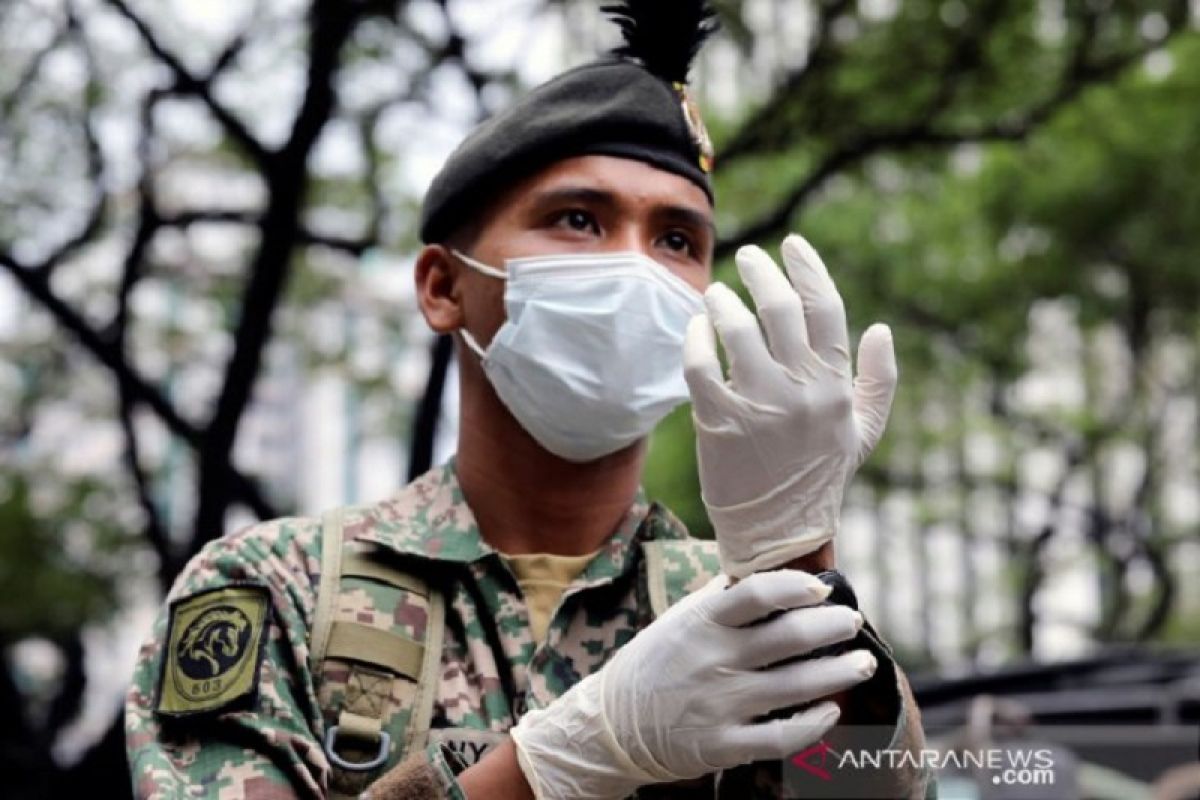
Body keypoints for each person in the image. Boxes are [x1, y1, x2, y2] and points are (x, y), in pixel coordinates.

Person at [126, 1, 932, 798]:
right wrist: (551, 768)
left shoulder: (724, 604)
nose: (634, 270)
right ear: (445, 287)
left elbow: (855, 790)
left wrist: (796, 560)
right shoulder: (282, 591)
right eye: (579, 220)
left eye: (678, 241)